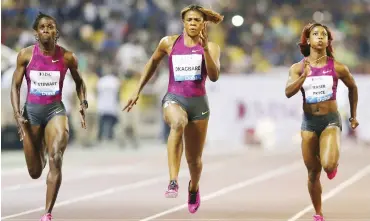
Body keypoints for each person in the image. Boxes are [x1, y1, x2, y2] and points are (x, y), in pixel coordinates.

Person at [123, 4, 223, 214]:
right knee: (177, 123)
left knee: (194, 161)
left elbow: (214, 77)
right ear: (183, 23)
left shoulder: (212, 47)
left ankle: (193, 188)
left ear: (203, 23)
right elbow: (152, 63)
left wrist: (204, 49)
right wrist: (137, 90)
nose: (193, 24)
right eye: (189, 20)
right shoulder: (169, 43)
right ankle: (172, 181)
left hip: (199, 104)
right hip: (174, 98)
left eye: (197, 20)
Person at [10, 12, 88, 221]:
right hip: (31, 114)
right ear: (36, 33)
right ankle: (40, 150)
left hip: (55, 111)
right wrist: (18, 114)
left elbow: (80, 82)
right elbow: (15, 86)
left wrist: (83, 103)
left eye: (50, 26)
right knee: (35, 171)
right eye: (42, 27)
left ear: (57, 32)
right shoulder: (25, 55)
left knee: (56, 157)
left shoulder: (67, 57)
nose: (47, 30)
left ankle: (47, 213)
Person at [285, 23, 359, 221]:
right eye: (315, 34)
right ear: (308, 40)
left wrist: (353, 116)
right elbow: (288, 92)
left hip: (330, 122)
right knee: (312, 174)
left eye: (323, 34)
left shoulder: (337, 67)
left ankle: (332, 165)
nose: (320, 37)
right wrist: (303, 77)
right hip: (308, 123)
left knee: (327, 165)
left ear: (328, 41)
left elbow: (353, 88)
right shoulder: (297, 68)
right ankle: (318, 213)